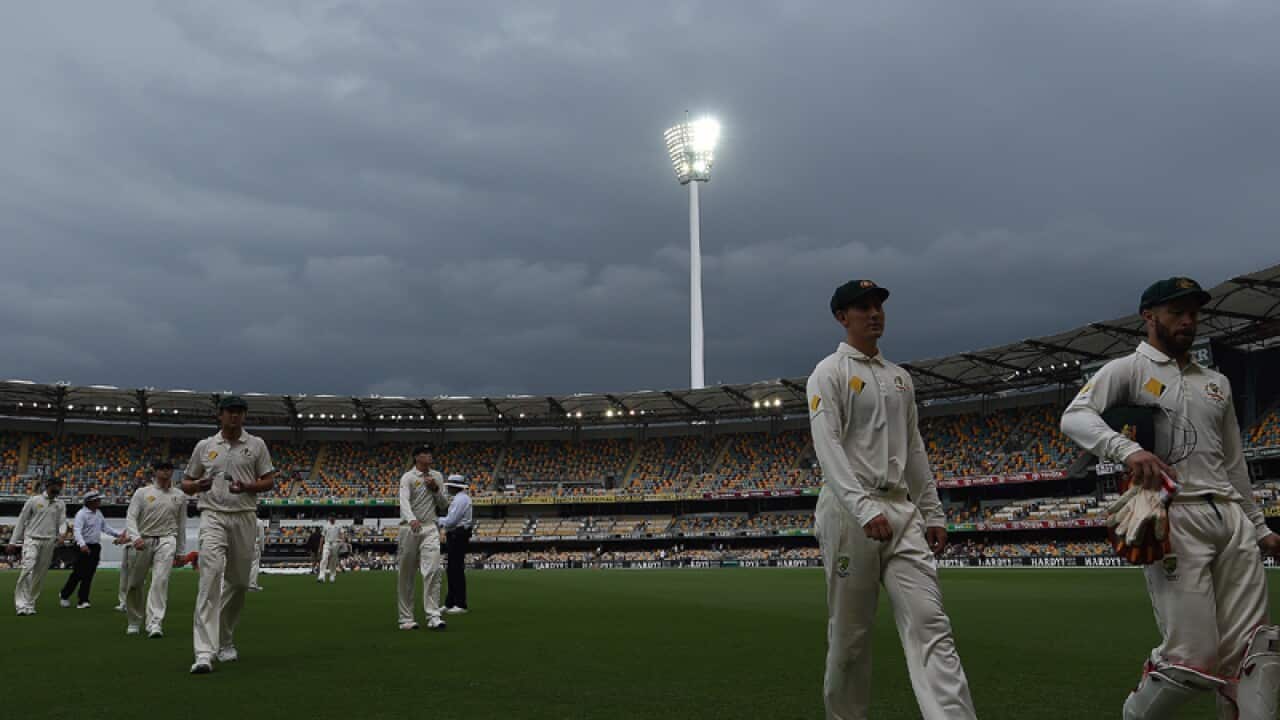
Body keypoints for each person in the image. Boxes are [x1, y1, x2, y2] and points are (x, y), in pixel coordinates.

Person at [1060, 276, 1280, 719]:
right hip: (1174, 516)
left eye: (1193, 313)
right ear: (1149, 316)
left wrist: (1259, 526)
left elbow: (1234, 463)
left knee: (1257, 654)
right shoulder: (1129, 370)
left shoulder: (1215, 382)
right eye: (1176, 312)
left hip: (1232, 519)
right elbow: (1074, 418)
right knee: (1192, 658)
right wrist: (1127, 449)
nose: (1187, 320)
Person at [807, 279, 978, 720]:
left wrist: (933, 511)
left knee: (931, 624)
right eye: (862, 308)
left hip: (902, 512)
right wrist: (863, 509)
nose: (874, 313)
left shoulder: (900, 379)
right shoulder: (828, 373)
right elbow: (829, 450)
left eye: (878, 306)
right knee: (850, 638)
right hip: (850, 514)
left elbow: (914, 449)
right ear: (842, 318)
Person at [180, 395, 275, 675]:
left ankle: (225, 640)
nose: (235, 416)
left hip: (244, 515)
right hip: (212, 515)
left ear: (244, 416)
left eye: (239, 412)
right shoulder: (205, 446)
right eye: (230, 411)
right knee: (209, 578)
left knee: (239, 583)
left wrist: (248, 486)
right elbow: (185, 483)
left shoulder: (256, 445)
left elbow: (269, 480)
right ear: (219, 415)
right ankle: (204, 652)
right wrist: (198, 484)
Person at [123, 460, 187, 637]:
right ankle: (134, 620)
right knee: (135, 583)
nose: (166, 473)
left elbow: (181, 525)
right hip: (143, 540)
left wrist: (181, 552)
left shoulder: (179, 496)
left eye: (169, 470)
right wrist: (135, 537)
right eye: (162, 469)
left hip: (167, 539)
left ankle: (155, 623)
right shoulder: (143, 493)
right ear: (155, 471)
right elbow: (131, 517)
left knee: (160, 581)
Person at [397, 444, 450, 631]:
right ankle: (406, 619)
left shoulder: (437, 476)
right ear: (417, 457)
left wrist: (436, 489)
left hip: (429, 527)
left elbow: (444, 505)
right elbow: (403, 500)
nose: (430, 457)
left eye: (430, 453)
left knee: (433, 570)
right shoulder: (408, 477)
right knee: (407, 574)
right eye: (426, 454)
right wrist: (411, 519)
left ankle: (433, 616)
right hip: (409, 528)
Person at [8, 477, 69, 615]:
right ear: (48, 486)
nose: (58, 489)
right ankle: (21, 605)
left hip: (49, 541)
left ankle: (30, 604)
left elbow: (62, 521)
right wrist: (13, 541)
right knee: (27, 568)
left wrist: (62, 534)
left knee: (39, 575)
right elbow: (21, 521)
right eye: (56, 486)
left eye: (60, 486)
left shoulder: (60, 504)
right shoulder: (34, 500)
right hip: (32, 539)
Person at [60, 490, 126, 609]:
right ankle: (65, 595)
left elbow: (105, 527)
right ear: (90, 502)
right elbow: (77, 530)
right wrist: (82, 544)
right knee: (78, 573)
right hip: (83, 547)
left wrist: (119, 534)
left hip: (95, 547)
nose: (100, 501)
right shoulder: (81, 514)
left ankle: (83, 600)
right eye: (97, 500)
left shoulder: (98, 513)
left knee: (89, 574)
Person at [439, 475, 473, 614]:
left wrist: (436, 520)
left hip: (458, 534)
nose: (447, 488)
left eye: (449, 486)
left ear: (455, 486)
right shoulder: (460, 498)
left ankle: (460, 604)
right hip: (456, 534)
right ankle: (451, 602)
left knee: (456, 569)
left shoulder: (461, 499)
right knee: (452, 569)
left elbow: (451, 521)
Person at [318, 517, 341, 583]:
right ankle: (321, 576)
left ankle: (332, 576)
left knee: (333, 561)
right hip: (327, 543)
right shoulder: (326, 526)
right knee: (324, 559)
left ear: (334, 518)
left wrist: (341, 542)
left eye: (333, 518)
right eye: (330, 518)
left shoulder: (338, 525)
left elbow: (342, 534)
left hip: (335, 543)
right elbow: (322, 537)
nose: (332, 519)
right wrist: (320, 547)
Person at [248, 522, 265, 591]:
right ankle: (252, 585)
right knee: (255, 565)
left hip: (245, 545)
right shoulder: (259, 522)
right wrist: (262, 547)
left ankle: (245, 584)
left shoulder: (244, 520)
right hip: (255, 545)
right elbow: (261, 536)